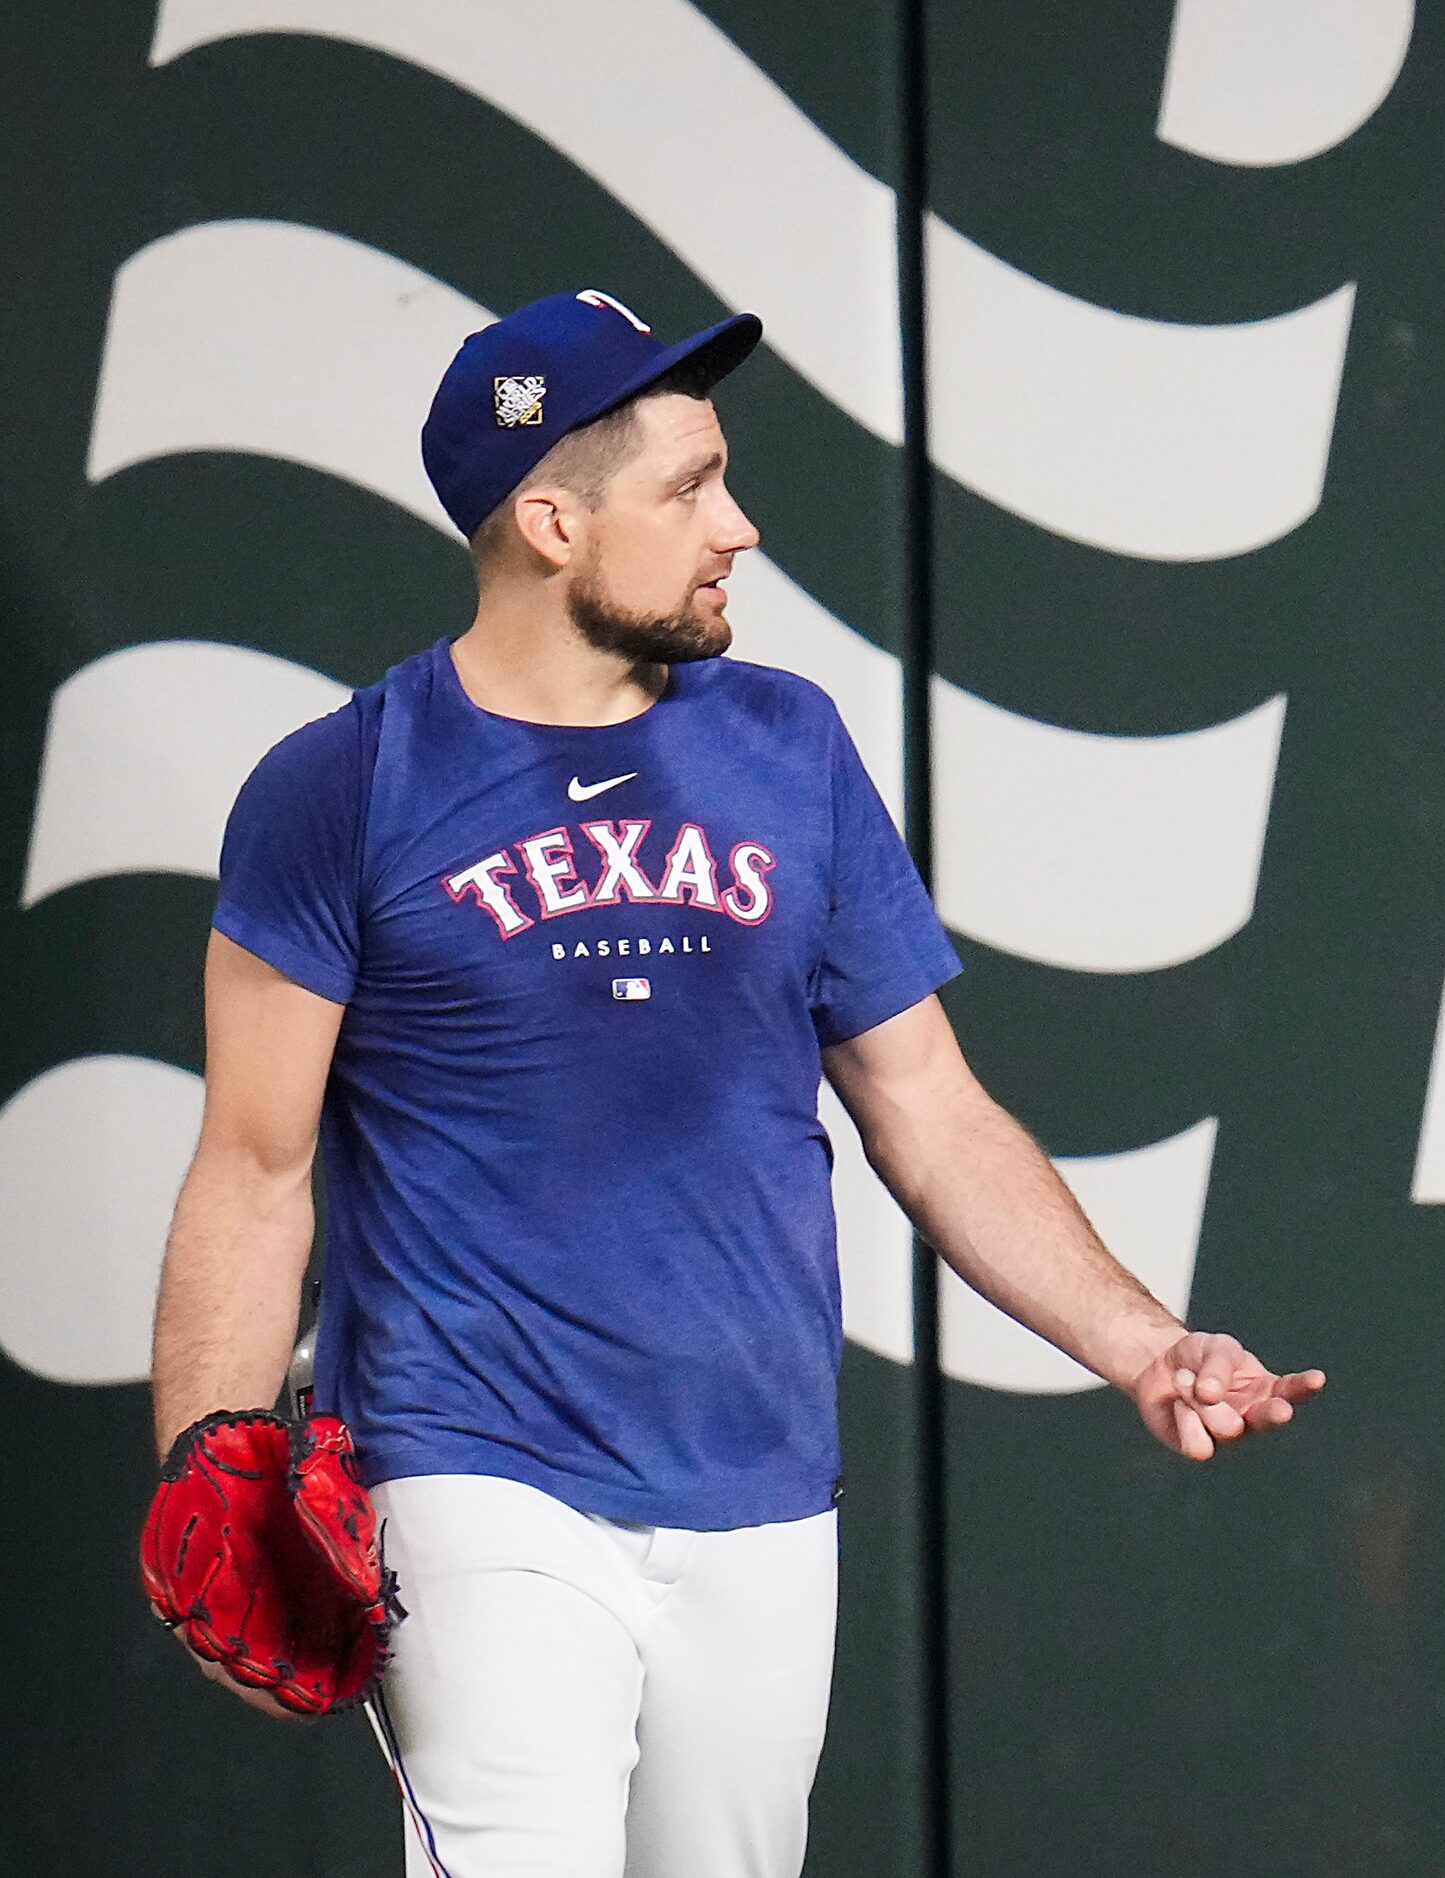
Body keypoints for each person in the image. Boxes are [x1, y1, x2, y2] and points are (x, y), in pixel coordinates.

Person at [147, 288, 1323, 1876]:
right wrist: (209, 1462)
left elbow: (931, 1105)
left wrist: (1143, 1341)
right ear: (553, 521)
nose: (741, 526)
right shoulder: (340, 788)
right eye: (691, 487)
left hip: (759, 1479)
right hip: (472, 1467)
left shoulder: (791, 748)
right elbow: (253, 1166)